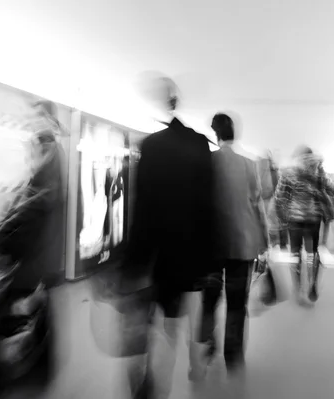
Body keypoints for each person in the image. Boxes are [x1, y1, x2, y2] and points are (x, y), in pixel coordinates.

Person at [121, 75, 216, 399]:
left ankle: (155, 386)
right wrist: (209, 256)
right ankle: (192, 368)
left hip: (158, 254)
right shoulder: (200, 143)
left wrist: (132, 263)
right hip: (191, 254)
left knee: (159, 325)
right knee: (183, 317)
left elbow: (143, 208)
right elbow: (208, 203)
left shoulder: (151, 146)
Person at [0, 100, 65, 393]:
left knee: (21, 311)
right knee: (33, 310)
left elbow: (39, 201)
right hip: (37, 256)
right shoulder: (45, 149)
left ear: (46, 119)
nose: (31, 122)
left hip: (34, 256)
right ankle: (39, 369)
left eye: (36, 117)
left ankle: (29, 371)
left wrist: (1, 235)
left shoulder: (49, 152)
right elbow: (32, 197)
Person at [200, 113, 269, 379]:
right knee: (237, 302)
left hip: (212, 245)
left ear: (215, 134)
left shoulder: (207, 163)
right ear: (233, 134)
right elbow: (257, 206)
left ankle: (207, 344)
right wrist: (264, 241)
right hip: (243, 243)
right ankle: (233, 356)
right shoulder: (248, 166)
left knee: (209, 299)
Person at [274, 145, 334, 305]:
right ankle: (313, 284)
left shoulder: (288, 173)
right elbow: (330, 190)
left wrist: (282, 218)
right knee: (312, 253)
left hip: (294, 220)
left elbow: (280, 197)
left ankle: (298, 287)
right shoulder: (320, 172)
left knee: (295, 253)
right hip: (313, 219)